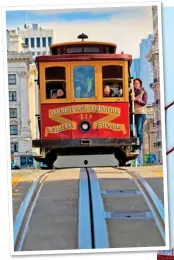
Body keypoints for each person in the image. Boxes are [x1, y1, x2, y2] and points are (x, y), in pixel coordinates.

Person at [129, 78, 147, 157]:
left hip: (140, 113)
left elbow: (144, 102)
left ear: (140, 84)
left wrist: (135, 99)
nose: (136, 85)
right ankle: (133, 146)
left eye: (137, 83)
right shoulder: (131, 92)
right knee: (132, 129)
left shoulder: (143, 92)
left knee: (139, 130)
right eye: (135, 83)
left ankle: (138, 147)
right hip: (132, 113)